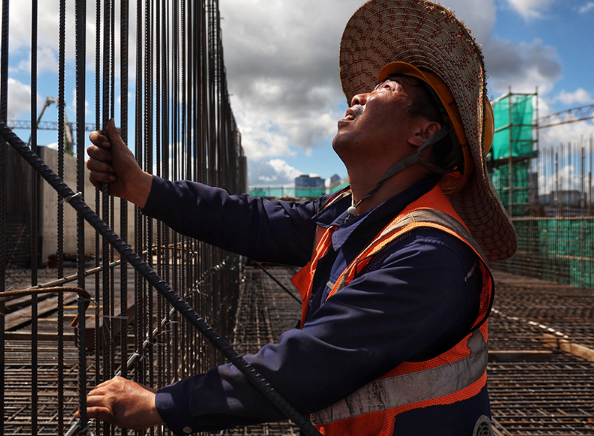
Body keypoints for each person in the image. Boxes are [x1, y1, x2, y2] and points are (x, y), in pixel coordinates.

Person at [80, 0, 517, 435]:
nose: (359, 94)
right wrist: (140, 186)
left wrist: (164, 403)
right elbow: (249, 219)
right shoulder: (352, 216)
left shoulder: (430, 255)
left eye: (386, 89)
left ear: (423, 132)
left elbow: (311, 363)